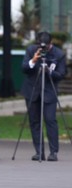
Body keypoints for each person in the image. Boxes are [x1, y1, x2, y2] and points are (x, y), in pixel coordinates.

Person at [22, 31, 68, 161]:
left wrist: (49, 71)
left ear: (50, 43)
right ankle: (39, 152)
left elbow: (61, 74)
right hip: (32, 90)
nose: (43, 49)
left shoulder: (59, 54)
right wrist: (33, 60)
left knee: (50, 120)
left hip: (49, 91)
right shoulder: (31, 50)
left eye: (45, 46)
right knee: (34, 122)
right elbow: (24, 68)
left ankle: (53, 152)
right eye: (40, 45)